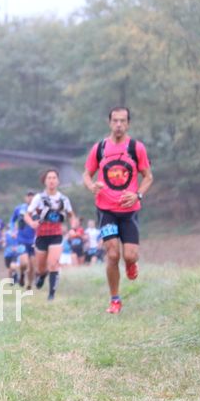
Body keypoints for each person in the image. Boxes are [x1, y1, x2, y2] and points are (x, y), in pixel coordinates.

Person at [82, 106, 153, 314]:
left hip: (129, 211)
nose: (119, 125)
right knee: (112, 255)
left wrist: (138, 195)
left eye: (123, 121)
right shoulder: (100, 148)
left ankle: (131, 264)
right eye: (115, 120)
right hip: (106, 210)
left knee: (130, 256)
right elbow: (86, 174)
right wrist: (91, 186)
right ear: (109, 123)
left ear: (128, 124)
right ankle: (115, 299)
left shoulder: (136, 148)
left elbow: (148, 177)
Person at [25, 169, 76, 300]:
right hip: (41, 236)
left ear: (58, 181)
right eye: (49, 178)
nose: (52, 181)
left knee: (54, 264)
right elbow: (27, 215)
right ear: (45, 181)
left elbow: (71, 216)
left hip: (56, 235)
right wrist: (31, 223)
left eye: (54, 178)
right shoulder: (38, 198)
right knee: (41, 268)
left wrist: (73, 228)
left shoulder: (64, 199)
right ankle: (42, 275)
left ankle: (51, 295)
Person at [10, 191, 37, 290]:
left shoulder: (38, 209)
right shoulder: (19, 209)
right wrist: (13, 230)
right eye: (28, 196)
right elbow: (12, 220)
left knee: (32, 265)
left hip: (34, 241)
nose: (30, 198)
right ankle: (21, 274)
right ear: (26, 198)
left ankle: (29, 284)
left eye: (32, 196)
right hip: (21, 240)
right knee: (24, 263)